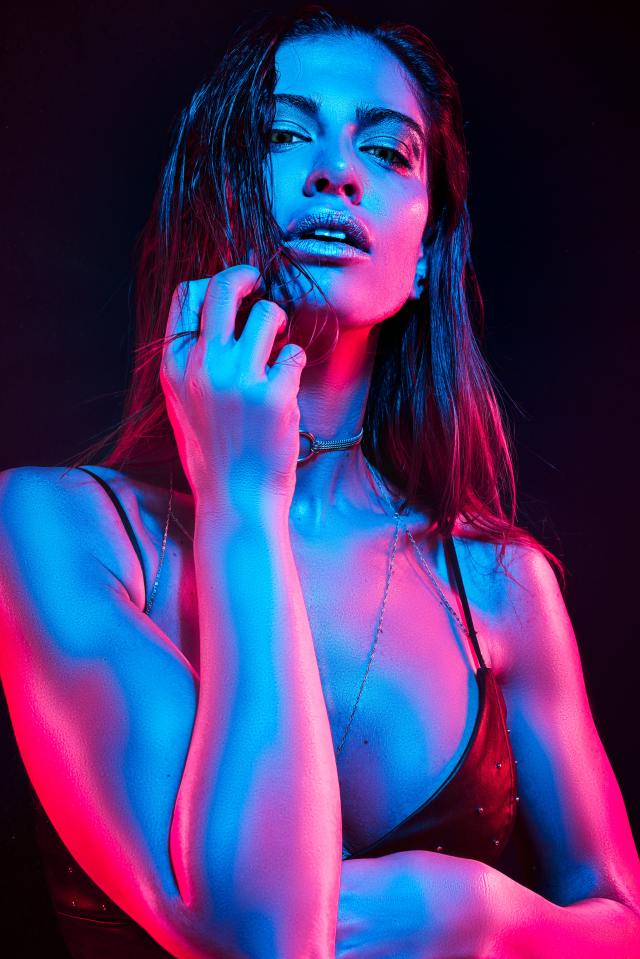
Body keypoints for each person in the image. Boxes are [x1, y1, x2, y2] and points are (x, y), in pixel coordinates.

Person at [1, 4, 639, 958]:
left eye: (386, 151)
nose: (337, 172)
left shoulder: (502, 583)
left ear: (424, 256)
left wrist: (493, 919)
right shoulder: (56, 531)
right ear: (215, 195)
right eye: (285, 135)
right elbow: (263, 936)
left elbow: (625, 918)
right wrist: (240, 502)